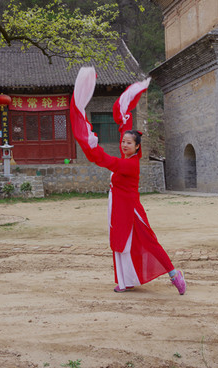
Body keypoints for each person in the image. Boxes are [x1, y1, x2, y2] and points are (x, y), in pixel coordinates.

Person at [70, 66, 186, 295]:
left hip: (131, 210)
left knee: (149, 242)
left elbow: (104, 160)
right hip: (118, 206)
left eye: (129, 143)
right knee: (120, 242)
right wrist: (125, 108)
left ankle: (174, 274)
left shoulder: (130, 164)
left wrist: (90, 143)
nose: (124, 145)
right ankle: (125, 281)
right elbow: (124, 125)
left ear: (137, 147)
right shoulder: (127, 157)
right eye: (123, 142)